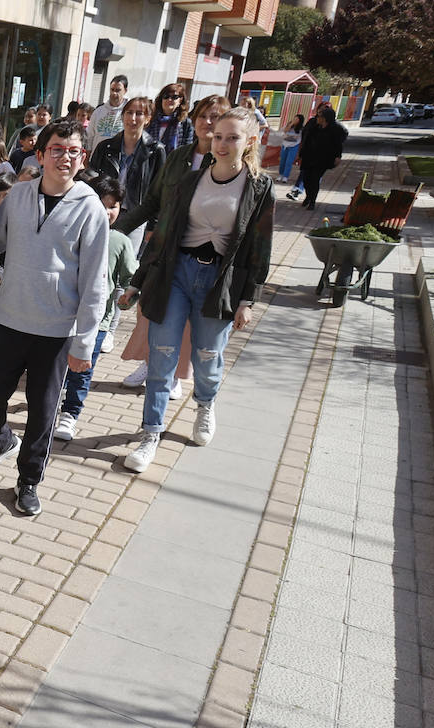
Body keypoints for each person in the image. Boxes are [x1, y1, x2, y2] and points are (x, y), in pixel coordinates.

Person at [0, 120, 109, 517]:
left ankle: (28, 478)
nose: (65, 157)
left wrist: (84, 342)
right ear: (41, 154)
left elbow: (95, 282)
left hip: (56, 330)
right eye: (57, 149)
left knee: (42, 411)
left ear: (82, 159)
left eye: (73, 151)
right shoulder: (19, 196)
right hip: (10, 319)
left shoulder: (91, 208)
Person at [122, 107, 274, 472]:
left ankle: (205, 405)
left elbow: (260, 245)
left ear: (250, 141)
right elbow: (163, 236)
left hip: (218, 283)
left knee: (208, 357)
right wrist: (138, 283)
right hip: (176, 274)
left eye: (232, 137)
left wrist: (248, 298)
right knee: (161, 358)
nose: (221, 144)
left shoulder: (259, 187)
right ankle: (150, 434)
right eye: (218, 136)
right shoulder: (191, 181)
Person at [116, 94, 231, 391]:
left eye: (216, 117)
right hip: (164, 250)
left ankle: (177, 374)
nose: (209, 122)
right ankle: (150, 364)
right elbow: (152, 201)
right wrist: (116, 229)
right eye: (204, 116)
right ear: (193, 119)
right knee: (153, 310)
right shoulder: (178, 156)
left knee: (188, 320)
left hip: (200, 257)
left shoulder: (225, 165)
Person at [54, 173, 139, 442]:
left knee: (82, 369)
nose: (106, 210)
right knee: (57, 365)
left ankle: (70, 413)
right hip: (62, 315)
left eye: (113, 205)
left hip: (97, 321)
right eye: (101, 202)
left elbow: (129, 277)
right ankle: (52, 403)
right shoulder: (69, 232)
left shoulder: (120, 242)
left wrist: (128, 296)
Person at [88, 95, 164, 351]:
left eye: (140, 114)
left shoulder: (156, 151)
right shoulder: (107, 146)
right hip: (104, 211)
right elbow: (92, 180)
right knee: (98, 265)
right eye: (130, 112)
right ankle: (93, 319)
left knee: (123, 273)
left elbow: (158, 191)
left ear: (148, 118)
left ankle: (110, 327)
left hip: (136, 217)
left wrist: (152, 225)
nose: (133, 118)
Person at [295, 106, 346, 210]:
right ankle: (308, 196)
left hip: (323, 159)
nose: (317, 118)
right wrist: (300, 154)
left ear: (325, 118)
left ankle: (312, 201)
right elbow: (305, 140)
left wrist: (338, 157)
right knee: (306, 179)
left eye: (320, 116)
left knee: (315, 179)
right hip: (308, 157)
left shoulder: (334, 129)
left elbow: (338, 144)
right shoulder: (314, 127)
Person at [149, 84, 194, 154]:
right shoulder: (151, 119)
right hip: (152, 160)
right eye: (166, 97)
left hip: (174, 161)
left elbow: (187, 149)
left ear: (180, 100)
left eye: (174, 97)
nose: (169, 100)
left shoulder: (185, 122)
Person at [89, 75, 129, 150]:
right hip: (97, 157)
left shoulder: (129, 112)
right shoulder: (98, 111)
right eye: (112, 89)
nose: (114, 93)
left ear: (125, 91)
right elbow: (90, 137)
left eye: (118, 90)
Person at [278, 114, 303, 183]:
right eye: (294, 118)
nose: (295, 120)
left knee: (289, 162)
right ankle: (280, 174)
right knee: (282, 161)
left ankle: (285, 176)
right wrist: (291, 124)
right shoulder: (289, 125)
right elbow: (285, 131)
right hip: (285, 145)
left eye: (297, 119)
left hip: (293, 146)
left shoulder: (301, 129)